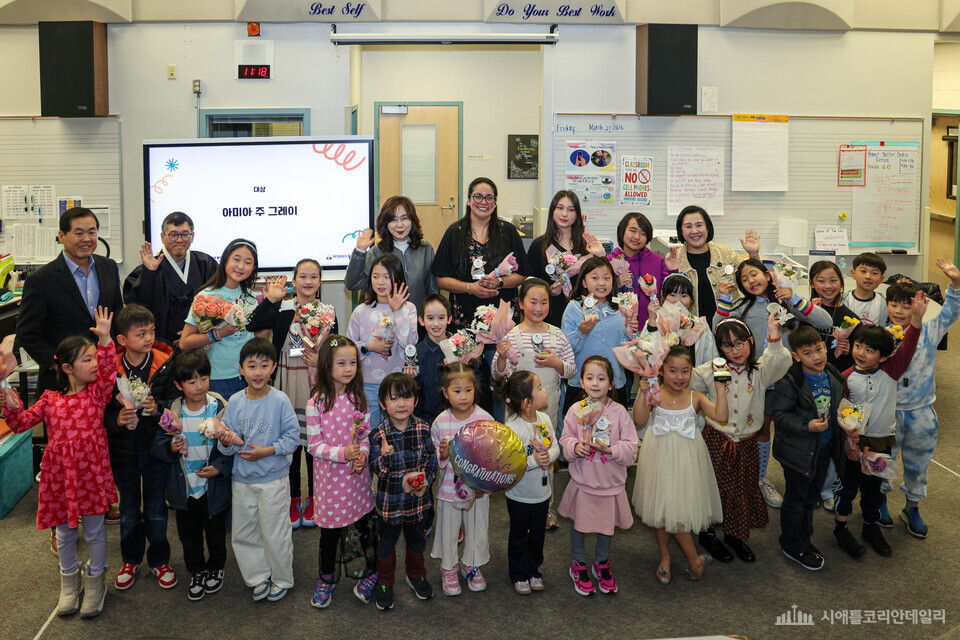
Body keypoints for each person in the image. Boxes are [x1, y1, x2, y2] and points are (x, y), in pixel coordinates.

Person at [2, 307, 116, 618]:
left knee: (94, 531)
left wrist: (105, 340)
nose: (94, 364)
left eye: (94, 358)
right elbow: (23, 423)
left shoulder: (97, 395)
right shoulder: (50, 399)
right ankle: (69, 585)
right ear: (66, 367)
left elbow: (109, 373)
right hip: (60, 477)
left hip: (90, 474)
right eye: (86, 359)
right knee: (65, 533)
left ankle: (96, 584)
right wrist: (12, 406)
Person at [716, 258, 833, 509]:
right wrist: (724, 302)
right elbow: (718, 330)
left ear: (767, 276)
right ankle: (760, 480)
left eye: (754, 274)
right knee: (761, 428)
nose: (750, 281)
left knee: (796, 430)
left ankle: (802, 482)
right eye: (744, 279)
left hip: (793, 381)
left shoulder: (786, 299)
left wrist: (797, 299)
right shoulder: (741, 307)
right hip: (761, 380)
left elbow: (826, 322)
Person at [690, 314, 790, 565]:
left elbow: (780, 362)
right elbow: (686, 381)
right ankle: (708, 533)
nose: (734, 350)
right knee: (713, 488)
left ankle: (735, 535)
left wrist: (774, 335)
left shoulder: (759, 371)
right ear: (719, 346)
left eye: (739, 343)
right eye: (727, 345)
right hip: (716, 439)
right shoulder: (711, 369)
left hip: (746, 443)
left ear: (750, 342)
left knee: (741, 490)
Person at [247, 260, 340, 530]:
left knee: (313, 444)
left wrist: (321, 358)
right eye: (303, 276)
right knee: (290, 444)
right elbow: (255, 324)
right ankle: (292, 498)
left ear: (321, 282)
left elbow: (334, 345)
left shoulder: (327, 311)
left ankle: (314, 498)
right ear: (294, 280)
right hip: (286, 378)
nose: (308, 281)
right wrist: (271, 300)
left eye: (314, 276)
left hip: (315, 382)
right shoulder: (285, 306)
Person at [835, 297, 923, 558]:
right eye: (858, 345)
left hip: (881, 442)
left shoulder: (891, 371)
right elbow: (841, 415)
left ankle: (870, 526)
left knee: (873, 489)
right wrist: (847, 443)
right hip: (854, 445)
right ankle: (840, 528)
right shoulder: (846, 377)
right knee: (848, 487)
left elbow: (908, 347)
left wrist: (916, 321)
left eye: (869, 350)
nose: (861, 352)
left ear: (885, 356)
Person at [632, 346, 726, 583]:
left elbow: (722, 416)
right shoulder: (655, 393)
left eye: (684, 371)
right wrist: (643, 393)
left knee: (677, 511)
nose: (679, 376)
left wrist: (720, 388)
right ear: (661, 370)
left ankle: (694, 560)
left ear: (691, 372)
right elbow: (639, 419)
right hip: (659, 458)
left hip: (686, 462)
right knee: (660, 506)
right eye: (672, 370)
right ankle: (666, 556)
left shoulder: (696, 398)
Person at [880, 259, 960, 538]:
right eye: (894, 305)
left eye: (907, 305)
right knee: (882, 459)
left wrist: (956, 284)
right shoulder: (880, 334)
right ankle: (878, 500)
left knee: (918, 462)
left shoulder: (930, 330)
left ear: (918, 306)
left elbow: (951, 312)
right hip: (886, 411)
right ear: (886, 306)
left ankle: (912, 506)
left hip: (921, 411)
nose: (900, 311)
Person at [216, 338, 300, 602]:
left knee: (275, 531)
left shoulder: (280, 400)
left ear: (273, 367)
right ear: (241, 369)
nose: (258, 372)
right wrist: (225, 441)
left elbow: (292, 438)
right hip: (242, 480)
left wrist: (268, 451)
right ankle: (257, 576)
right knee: (244, 531)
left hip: (273, 478)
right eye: (251, 366)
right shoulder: (235, 401)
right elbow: (227, 447)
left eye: (264, 366)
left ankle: (282, 577)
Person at [103, 304, 177, 592]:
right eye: (141, 333)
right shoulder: (109, 368)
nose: (149, 338)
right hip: (123, 453)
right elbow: (101, 410)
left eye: (152, 331)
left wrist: (158, 409)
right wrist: (116, 419)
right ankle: (130, 559)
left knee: (157, 510)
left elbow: (174, 404)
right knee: (130, 510)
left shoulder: (164, 363)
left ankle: (160, 560)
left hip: (156, 451)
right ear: (121, 340)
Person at [493, 277, 575, 530]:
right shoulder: (512, 335)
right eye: (533, 302)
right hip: (518, 414)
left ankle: (546, 506)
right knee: (519, 455)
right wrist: (503, 357)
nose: (538, 308)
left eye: (544, 302)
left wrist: (556, 364)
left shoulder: (558, 336)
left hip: (545, 413)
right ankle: (519, 502)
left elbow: (571, 371)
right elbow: (498, 375)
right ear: (520, 304)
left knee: (544, 456)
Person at [15, 207, 123, 396]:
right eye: (78, 233)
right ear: (61, 236)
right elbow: (27, 335)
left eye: (92, 232)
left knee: (107, 426)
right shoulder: (40, 280)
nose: (87, 239)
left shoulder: (109, 267)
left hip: (104, 379)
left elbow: (118, 315)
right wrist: (60, 364)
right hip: (63, 384)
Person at [152, 349, 231, 601]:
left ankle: (216, 568)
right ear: (178, 385)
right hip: (185, 487)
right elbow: (157, 447)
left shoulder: (219, 406)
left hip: (213, 486)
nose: (200, 386)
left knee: (217, 533)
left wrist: (219, 467)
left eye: (204, 378)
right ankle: (197, 570)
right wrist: (170, 448)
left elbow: (231, 445)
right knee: (189, 535)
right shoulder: (172, 412)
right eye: (192, 381)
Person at [305, 335, 378, 608]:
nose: (349, 368)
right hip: (329, 483)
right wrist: (343, 454)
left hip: (357, 481)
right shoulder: (316, 403)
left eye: (353, 363)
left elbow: (366, 436)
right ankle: (325, 577)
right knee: (330, 534)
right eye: (341, 363)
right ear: (326, 365)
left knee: (365, 527)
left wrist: (361, 456)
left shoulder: (359, 399)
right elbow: (314, 446)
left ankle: (372, 571)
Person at [558, 356, 638, 596]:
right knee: (579, 524)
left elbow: (632, 447)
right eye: (590, 378)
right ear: (581, 382)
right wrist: (574, 448)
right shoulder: (576, 410)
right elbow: (566, 438)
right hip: (585, 481)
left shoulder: (620, 412)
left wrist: (611, 450)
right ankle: (578, 562)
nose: (595, 383)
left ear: (612, 384)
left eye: (601, 378)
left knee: (606, 526)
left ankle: (602, 562)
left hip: (610, 482)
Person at [766, 326, 845, 571]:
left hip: (822, 449)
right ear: (797, 356)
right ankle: (792, 544)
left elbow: (837, 404)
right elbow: (779, 415)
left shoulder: (831, 373)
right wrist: (806, 426)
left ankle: (804, 532)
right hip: (797, 453)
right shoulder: (791, 381)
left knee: (811, 497)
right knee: (796, 499)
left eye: (819, 349)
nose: (817, 357)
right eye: (808, 353)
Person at [368, 373, 438, 611]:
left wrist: (425, 482)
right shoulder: (378, 434)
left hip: (417, 504)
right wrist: (384, 458)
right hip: (389, 504)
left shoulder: (423, 428)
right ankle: (385, 582)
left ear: (416, 401)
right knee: (386, 545)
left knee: (417, 542)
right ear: (382, 403)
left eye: (407, 398)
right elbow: (376, 469)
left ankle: (415, 574)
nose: (401, 404)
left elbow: (431, 461)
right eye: (394, 398)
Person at [430, 363, 495, 596]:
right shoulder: (440, 422)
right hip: (450, 490)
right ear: (446, 393)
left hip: (478, 491)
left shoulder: (485, 418)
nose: (464, 396)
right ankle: (448, 567)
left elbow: (493, 455)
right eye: (457, 391)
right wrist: (444, 454)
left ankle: (472, 564)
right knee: (449, 529)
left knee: (477, 528)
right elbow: (438, 459)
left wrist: (487, 482)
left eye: (468, 390)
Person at [432, 177, 527, 332]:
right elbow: (441, 279)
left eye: (489, 197)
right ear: (469, 200)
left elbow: (522, 274)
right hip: (464, 318)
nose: (484, 202)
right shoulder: (454, 233)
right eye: (478, 196)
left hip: (502, 318)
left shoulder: (508, 232)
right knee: (466, 355)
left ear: (495, 203)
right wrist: (470, 287)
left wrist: (499, 282)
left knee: (501, 356)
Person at [808, 260, 860, 511]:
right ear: (811, 283)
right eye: (821, 280)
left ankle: (828, 488)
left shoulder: (850, 317)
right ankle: (810, 485)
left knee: (833, 439)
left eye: (833, 280)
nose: (828, 286)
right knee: (811, 438)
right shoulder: (805, 312)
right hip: (809, 385)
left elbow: (859, 358)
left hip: (836, 384)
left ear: (842, 282)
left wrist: (849, 350)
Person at [501, 371, 559, 595]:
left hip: (542, 494)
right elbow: (509, 463)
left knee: (537, 535)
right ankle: (518, 573)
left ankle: (534, 569)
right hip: (519, 495)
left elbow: (555, 446)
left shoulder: (544, 420)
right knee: (518, 535)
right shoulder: (513, 427)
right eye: (540, 388)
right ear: (527, 402)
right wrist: (534, 461)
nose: (545, 391)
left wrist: (550, 456)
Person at [180, 239, 260, 399]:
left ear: (253, 268)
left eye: (247, 262)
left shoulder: (251, 297)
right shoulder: (206, 297)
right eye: (236, 259)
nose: (241, 266)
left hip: (249, 376)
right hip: (218, 377)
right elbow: (185, 342)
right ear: (225, 261)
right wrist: (218, 334)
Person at [123, 211, 218, 345]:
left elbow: (220, 301)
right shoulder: (147, 269)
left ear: (192, 236)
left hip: (198, 344)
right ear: (162, 237)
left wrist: (198, 331)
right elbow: (136, 309)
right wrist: (149, 274)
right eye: (173, 235)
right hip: (161, 345)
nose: (179, 240)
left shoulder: (206, 264)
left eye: (185, 234)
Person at [346, 253, 418, 428]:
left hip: (398, 385)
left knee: (397, 432)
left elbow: (410, 343)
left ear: (397, 278)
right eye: (375, 276)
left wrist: (397, 311)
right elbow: (346, 350)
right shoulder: (361, 311)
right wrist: (368, 347)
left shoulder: (408, 309)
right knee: (369, 432)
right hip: (368, 385)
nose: (380, 282)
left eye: (386, 277)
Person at [561, 257, 638, 410]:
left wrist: (631, 334)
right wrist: (581, 332)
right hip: (581, 385)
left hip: (613, 384)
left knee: (615, 430)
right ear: (584, 282)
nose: (602, 283)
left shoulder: (621, 309)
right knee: (580, 431)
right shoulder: (574, 308)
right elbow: (565, 350)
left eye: (607, 278)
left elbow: (630, 353)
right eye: (595, 278)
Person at [345, 196, 439, 311]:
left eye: (404, 218)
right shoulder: (376, 253)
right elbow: (352, 284)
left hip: (416, 321)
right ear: (386, 224)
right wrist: (360, 251)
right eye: (393, 220)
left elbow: (433, 291)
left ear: (412, 221)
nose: (399, 225)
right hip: (383, 322)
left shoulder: (425, 249)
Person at [525, 191, 605, 327]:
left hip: (582, 316)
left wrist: (601, 255)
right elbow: (528, 284)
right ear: (552, 211)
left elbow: (603, 281)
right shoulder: (539, 245)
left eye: (571, 210)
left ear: (577, 215)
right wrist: (547, 291)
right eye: (560, 208)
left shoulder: (587, 246)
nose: (564, 214)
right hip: (547, 317)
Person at [674, 205, 760, 327]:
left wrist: (753, 255)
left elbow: (756, 279)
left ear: (708, 228)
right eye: (688, 226)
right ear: (681, 231)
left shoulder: (725, 253)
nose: (694, 231)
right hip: (689, 332)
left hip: (728, 330)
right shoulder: (674, 260)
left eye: (699, 225)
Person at [608, 211, 679, 329]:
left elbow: (669, 293)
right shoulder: (610, 260)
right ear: (622, 231)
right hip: (617, 328)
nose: (637, 237)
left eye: (643, 233)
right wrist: (616, 284)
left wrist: (672, 270)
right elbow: (600, 296)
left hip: (650, 327)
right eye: (633, 230)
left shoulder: (656, 261)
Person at [643, 274, 718, 367]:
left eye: (684, 295)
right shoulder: (654, 322)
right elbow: (645, 357)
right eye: (673, 295)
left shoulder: (699, 326)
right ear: (663, 295)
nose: (678, 301)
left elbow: (711, 361)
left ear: (692, 298)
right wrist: (652, 323)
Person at [841, 252, 888, 326]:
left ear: (881, 279)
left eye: (874, 273)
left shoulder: (885, 303)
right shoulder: (843, 300)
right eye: (863, 271)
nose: (868, 276)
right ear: (853, 274)